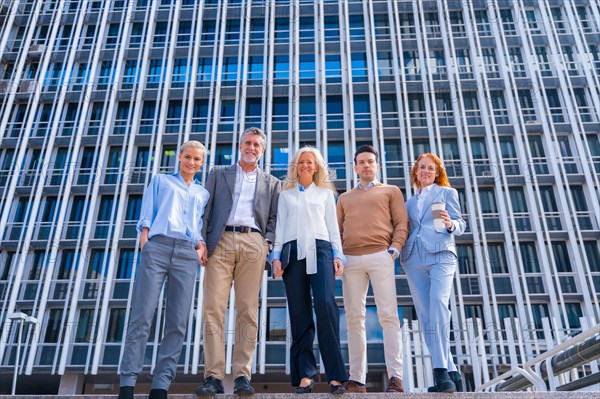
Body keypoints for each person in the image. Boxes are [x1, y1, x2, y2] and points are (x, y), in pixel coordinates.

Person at [118, 141, 210, 399]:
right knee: (142, 315)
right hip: (157, 248)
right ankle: (127, 383)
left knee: (178, 322)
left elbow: (197, 224)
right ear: (179, 157)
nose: (191, 162)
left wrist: (200, 243)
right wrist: (145, 240)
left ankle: (160, 385)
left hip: (186, 254)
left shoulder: (202, 193)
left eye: (197, 160)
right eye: (188, 157)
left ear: (202, 163)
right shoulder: (160, 181)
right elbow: (147, 213)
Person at [196, 127, 281, 396]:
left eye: (257, 144)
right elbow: (205, 211)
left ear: (262, 150)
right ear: (239, 145)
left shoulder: (272, 182)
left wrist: (266, 242)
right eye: (247, 143)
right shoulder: (218, 174)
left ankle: (242, 374)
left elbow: (274, 219)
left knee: (247, 310)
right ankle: (214, 376)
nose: (251, 148)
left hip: (253, 243)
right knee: (213, 309)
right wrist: (201, 241)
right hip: (219, 241)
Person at [272, 147, 348, 394]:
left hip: (322, 250)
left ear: (317, 167)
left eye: (310, 162)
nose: (305, 165)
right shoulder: (285, 195)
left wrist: (338, 254)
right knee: (299, 311)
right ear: (295, 166)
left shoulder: (326, 194)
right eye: (301, 162)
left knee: (326, 305)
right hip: (292, 254)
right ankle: (305, 374)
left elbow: (333, 228)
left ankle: (336, 376)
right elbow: (280, 229)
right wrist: (275, 257)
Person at [336, 145, 409, 393]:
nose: (366, 165)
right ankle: (357, 379)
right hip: (351, 260)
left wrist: (394, 249)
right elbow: (337, 231)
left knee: (388, 315)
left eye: (370, 162)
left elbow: (401, 222)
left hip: (381, 255)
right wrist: (339, 257)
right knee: (354, 319)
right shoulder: (344, 198)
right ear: (355, 167)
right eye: (362, 162)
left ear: (377, 165)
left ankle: (395, 377)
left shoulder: (391, 191)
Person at [400, 153, 466, 393]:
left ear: (437, 172)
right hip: (414, 258)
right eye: (421, 168)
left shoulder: (448, 193)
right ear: (416, 172)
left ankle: (439, 370)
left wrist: (451, 224)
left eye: (430, 168)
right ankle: (451, 372)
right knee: (426, 316)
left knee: (439, 303)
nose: (425, 171)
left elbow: (461, 224)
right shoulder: (408, 202)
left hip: (441, 254)